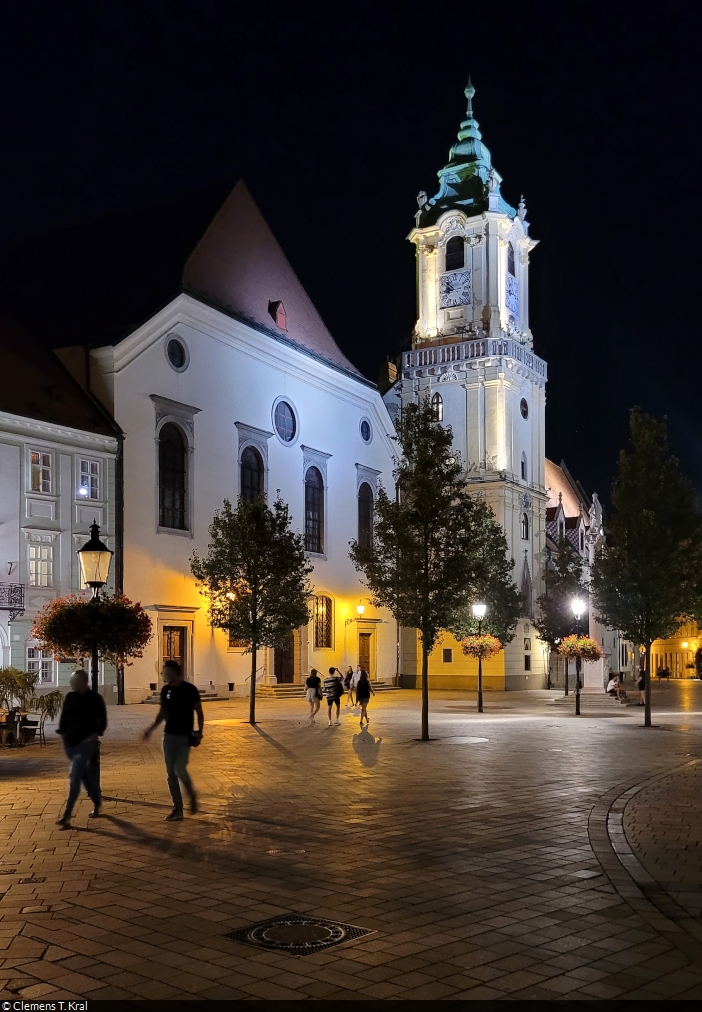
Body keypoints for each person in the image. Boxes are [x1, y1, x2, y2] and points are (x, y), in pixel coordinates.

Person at [143, 660, 203, 821]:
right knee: (171, 774)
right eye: (164, 672)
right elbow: (162, 712)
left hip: (184, 737)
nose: (165, 675)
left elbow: (199, 710)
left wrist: (200, 732)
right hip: (169, 736)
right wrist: (150, 729)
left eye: (167, 672)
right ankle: (178, 808)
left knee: (179, 769)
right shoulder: (166, 690)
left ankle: (191, 793)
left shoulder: (190, 689)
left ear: (176, 672)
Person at [55, 669, 107, 828]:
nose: (72, 684)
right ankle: (98, 802)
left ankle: (67, 815)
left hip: (86, 743)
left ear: (83, 682)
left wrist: (95, 735)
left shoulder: (96, 699)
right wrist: (64, 738)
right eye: (71, 682)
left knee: (75, 777)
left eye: (74, 681)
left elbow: (102, 721)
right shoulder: (70, 697)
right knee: (85, 776)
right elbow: (64, 719)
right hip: (70, 744)